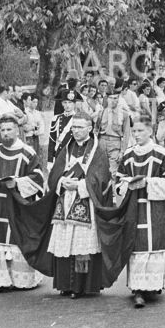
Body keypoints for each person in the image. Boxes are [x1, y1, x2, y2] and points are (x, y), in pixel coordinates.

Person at [114, 114, 165, 307]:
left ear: (150, 131)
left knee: (155, 246)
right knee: (137, 246)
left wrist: (148, 183)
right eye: (134, 131)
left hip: (156, 208)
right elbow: (119, 182)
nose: (136, 134)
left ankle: (153, 286)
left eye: (140, 131)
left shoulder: (161, 154)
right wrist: (128, 184)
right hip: (135, 208)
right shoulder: (128, 155)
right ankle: (138, 289)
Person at [43, 113, 114, 298]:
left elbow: (102, 179)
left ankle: (80, 286)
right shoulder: (67, 148)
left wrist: (80, 185)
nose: (75, 131)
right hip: (65, 201)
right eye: (73, 127)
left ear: (89, 128)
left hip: (85, 202)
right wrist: (61, 181)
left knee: (81, 245)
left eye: (80, 127)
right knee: (64, 242)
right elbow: (55, 173)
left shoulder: (97, 150)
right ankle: (65, 284)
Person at [0, 115, 46, 294]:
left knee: (17, 239)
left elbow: (37, 178)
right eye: (3, 130)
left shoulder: (27, 153)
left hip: (18, 204)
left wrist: (16, 183)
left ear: (17, 130)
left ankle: (22, 280)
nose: (5, 133)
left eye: (9, 129)